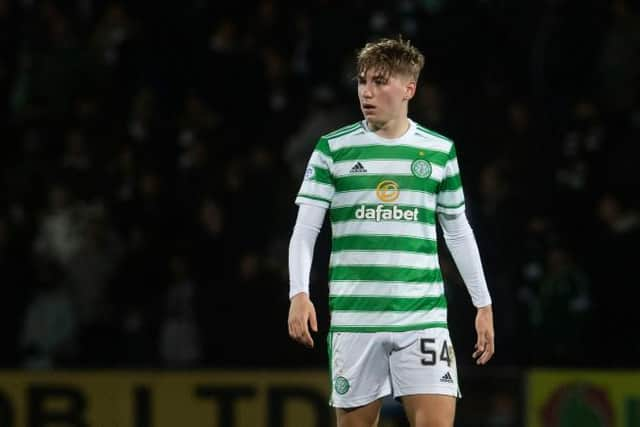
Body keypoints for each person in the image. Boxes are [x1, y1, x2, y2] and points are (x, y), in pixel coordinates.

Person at [287, 36, 495, 427]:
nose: (367, 91)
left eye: (380, 81)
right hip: (355, 319)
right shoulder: (333, 149)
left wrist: (482, 304)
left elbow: (458, 232)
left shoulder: (438, 151)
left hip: (424, 318)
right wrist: (299, 292)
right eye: (363, 81)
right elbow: (305, 229)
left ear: (408, 89)